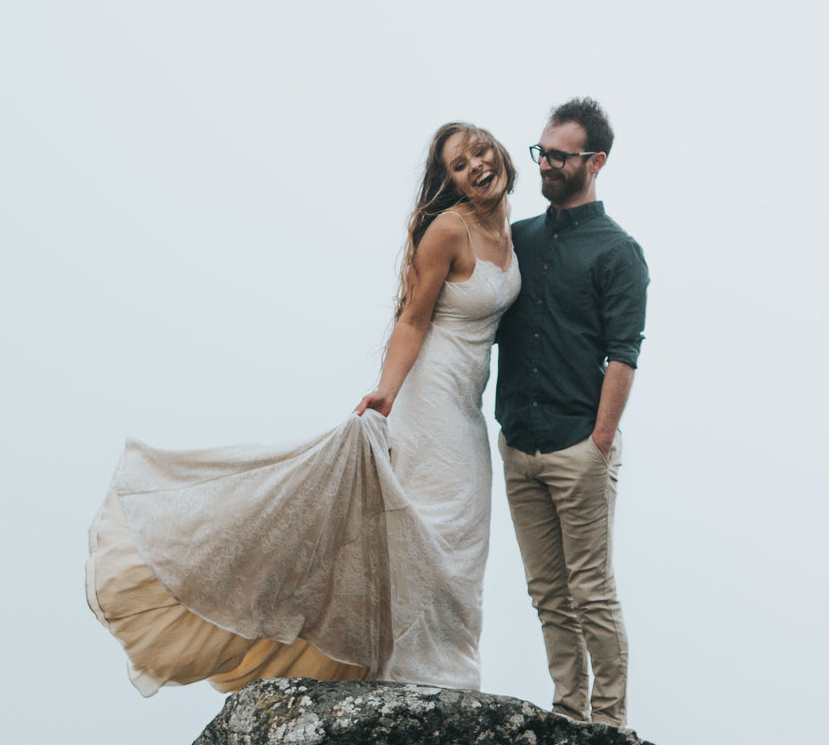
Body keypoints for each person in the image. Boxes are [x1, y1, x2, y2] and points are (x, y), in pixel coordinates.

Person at [84, 123, 519, 695]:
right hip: (428, 398)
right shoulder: (448, 230)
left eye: (480, 151)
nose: (477, 165)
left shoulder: (511, 231)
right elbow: (412, 320)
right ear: (451, 182)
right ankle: (424, 673)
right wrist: (386, 392)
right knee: (429, 531)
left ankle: (450, 667)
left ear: (498, 149)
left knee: (464, 531)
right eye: (460, 165)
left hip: (467, 405)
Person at [495, 96, 648, 729]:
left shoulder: (619, 252)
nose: (546, 164)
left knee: (592, 594)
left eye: (560, 156)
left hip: (579, 448)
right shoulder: (519, 240)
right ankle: (567, 714)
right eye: (543, 152)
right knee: (548, 595)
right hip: (518, 445)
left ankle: (608, 727)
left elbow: (623, 356)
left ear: (595, 161)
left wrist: (598, 445)